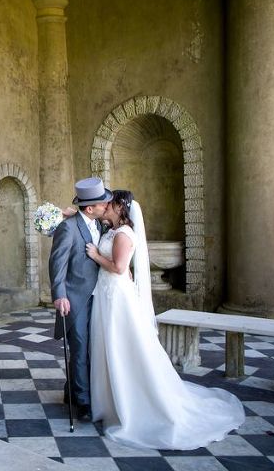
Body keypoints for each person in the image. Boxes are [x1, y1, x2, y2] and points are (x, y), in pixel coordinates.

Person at [84, 190, 244, 449]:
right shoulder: (112, 230)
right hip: (107, 294)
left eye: (110, 203)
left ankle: (133, 404)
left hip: (117, 297)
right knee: (109, 345)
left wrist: (95, 256)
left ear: (120, 208)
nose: (105, 207)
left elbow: (119, 268)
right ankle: (109, 401)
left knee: (122, 346)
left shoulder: (124, 234)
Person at [49, 177, 112, 419]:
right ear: (89, 208)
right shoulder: (68, 228)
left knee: (94, 348)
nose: (106, 205)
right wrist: (59, 295)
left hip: (101, 296)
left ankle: (72, 390)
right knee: (80, 348)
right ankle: (83, 403)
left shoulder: (101, 225)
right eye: (101, 203)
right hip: (76, 299)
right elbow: (57, 263)